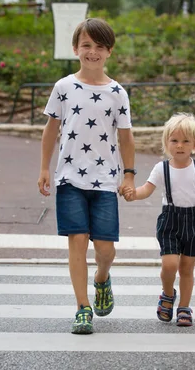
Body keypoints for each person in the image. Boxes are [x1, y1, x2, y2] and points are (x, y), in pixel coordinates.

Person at [37, 18, 135, 335]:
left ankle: (102, 278)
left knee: (105, 248)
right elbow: (50, 129)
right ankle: (83, 308)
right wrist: (44, 168)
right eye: (86, 45)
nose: (92, 52)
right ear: (76, 48)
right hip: (69, 179)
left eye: (99, 46)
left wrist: (129, 175)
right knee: (77, 242)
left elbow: (126, 138)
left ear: (109, 51)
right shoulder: (64, 88)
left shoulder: (117, 92)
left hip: (105, 181)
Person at [123, 113, 195, 326]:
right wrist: (133, 193)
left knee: (186, 269)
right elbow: (146, 189)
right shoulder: (161, 168)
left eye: (185, 141)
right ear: (166, 143)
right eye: (174, 140)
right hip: (170, 220)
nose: (180, 146)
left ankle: (184, 307)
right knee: (170, 264)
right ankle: (167, 293)